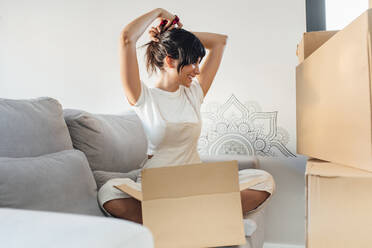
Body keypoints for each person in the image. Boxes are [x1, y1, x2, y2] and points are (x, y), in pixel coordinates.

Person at [98, 8, 275, 224]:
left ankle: (175, 222)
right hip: (158, 186)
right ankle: (201, 221)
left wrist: (171, 33)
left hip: (195, 182)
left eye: (199, 62)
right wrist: (159, 12)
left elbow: (219, 42)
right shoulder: (143, 97)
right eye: (193, 62)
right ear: (170, 61)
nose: (198, 70)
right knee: (109, 193)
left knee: (263, 181)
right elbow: (127, 38)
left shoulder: (194, 93)